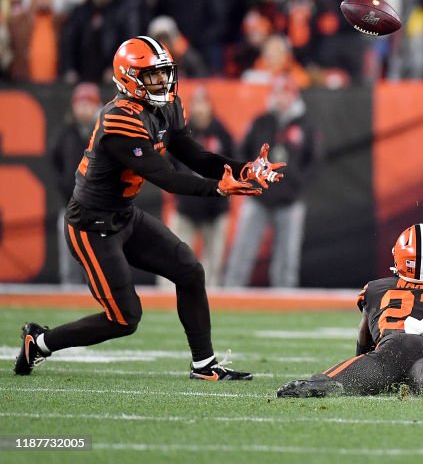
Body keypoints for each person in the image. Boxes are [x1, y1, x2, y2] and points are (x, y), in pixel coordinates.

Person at [15, 36, 284, 381]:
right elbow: (167, 178)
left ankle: (204, 365)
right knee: (124, 318)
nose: (161, 81)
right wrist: (218, 188)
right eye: (151, 75)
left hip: (124, 215)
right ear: (128, 77)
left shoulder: (167, 106)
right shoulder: (118, 120)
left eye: (163, 73)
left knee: (189, 270)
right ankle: (38, 343)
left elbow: (195, 156)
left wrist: (245, 169)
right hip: (90, 226)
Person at [276, 223, 423, 400]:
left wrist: (367, 367)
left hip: (391, 348)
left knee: (333, 383)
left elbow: (364, 337)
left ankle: (317, 385)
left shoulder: (376, 289)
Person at [224, 75, 318, 288]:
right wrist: (250, 177)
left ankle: (285, 302)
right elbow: (242, 151)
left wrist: (296, 185)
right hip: (258, 197)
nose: (280, 98)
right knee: (242, 251)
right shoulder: (261, 122)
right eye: (277, 93)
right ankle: (230, 294)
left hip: (289, 201)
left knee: (287, 258)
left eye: (285, 93)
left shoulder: (305, 126)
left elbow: (315, 160)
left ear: (293, 96)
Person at [163, 86, 235, 289]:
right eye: (197, 104)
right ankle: (166, 298)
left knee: (212, 264)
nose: (201, 109)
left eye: (204, 104)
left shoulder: (222, 134)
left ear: (210, 107)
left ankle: (209, 301)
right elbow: (167, 165)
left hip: (215, 208)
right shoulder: (180, 134)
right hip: (186, 207)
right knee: (174, 255)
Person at [48, 82, 102, 286]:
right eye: (80, 103)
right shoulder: (66, 134)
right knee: (69, 262)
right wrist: (66, 188)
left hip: (100, 209)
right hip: (72, 205)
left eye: (88, 103)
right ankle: (69, 296)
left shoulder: (105, 132)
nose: (83, 108)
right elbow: (55, 162)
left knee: (98, 263)